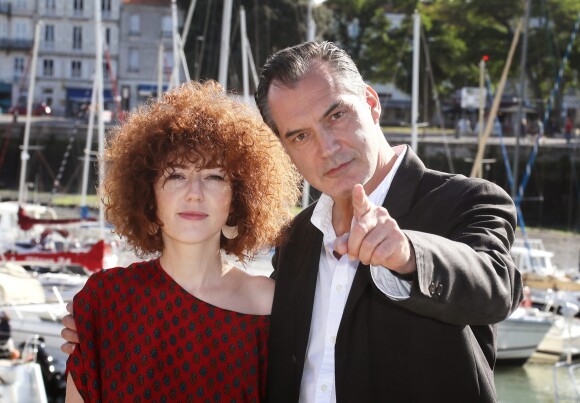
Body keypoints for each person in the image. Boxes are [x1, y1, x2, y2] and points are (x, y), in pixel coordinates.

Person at [63, 41, 522, 402]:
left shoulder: (467, 201)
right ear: (283, 147)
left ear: (371, 102)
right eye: (300, 135)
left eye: (336, 115)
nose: (326, 147)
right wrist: (101, 329)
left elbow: (495, 284)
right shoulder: (297, 239)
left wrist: (407, 255)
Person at [64, 80, 300, 402]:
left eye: (214, 177)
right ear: (149, 195)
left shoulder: (270, 304)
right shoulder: (105, 300)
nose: (194, 192)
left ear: (239, 196)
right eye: (175, 175)